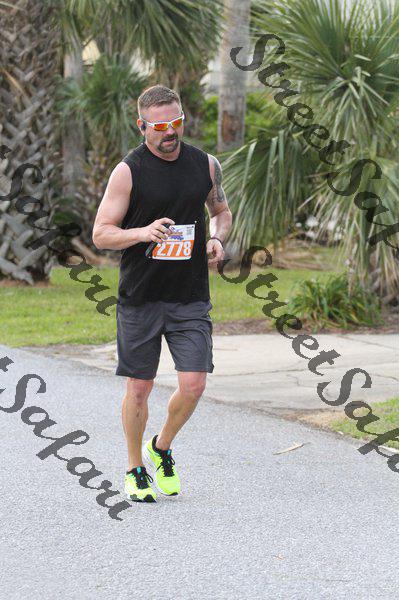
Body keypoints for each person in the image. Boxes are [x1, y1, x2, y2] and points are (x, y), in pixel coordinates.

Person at [92, 84, 232, 503]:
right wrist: (142, 232)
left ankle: (161, 446)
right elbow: (101, 233)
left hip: (190, 295)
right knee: (139, 387)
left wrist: (217, 239)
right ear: (142, 127)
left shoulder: (205, 165)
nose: (170, 132)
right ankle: (135, 467)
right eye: (159, 126)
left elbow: (221, 212)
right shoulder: (128, 171)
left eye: (176, 122)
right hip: (142, 296)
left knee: (194, 384)